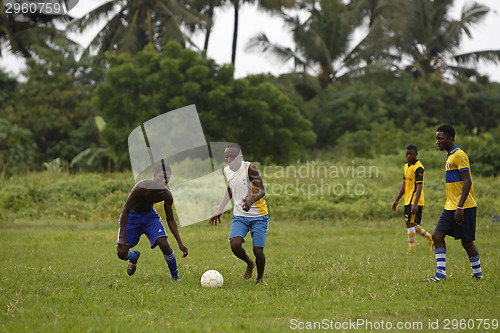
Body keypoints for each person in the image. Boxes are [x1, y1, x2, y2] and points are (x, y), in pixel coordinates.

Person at [423, 124, 482, 282]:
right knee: (437, 236)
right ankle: (440, 275)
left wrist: (460, 206)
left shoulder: (459, 155)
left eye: (440, 138)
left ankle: (478, 275)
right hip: (450, 206)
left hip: (464, 207)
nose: (437, 142)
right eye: (436, 138)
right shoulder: (449, 156)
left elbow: (468, 181)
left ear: (450, 138)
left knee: (467, 242)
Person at [210, 143, 269, 284]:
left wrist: (250, 201)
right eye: (226, 157)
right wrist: (220, 209)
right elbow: (230, 189)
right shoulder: (226, 171)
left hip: (259, 215)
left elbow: (261, 190)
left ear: (240, 156)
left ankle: (259, 279)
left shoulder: (250, 168)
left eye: (232, 156)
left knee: (258, 251)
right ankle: (250, 263)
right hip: (240, 215)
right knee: (235, 244)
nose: (229, 159)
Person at [116, 163, 188, 280]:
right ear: (154, 175)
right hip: (132, 217)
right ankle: (133, 257)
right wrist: (122, 238)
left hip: (149, 216)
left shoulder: (166, 194)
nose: (164, 180)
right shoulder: (140, 188)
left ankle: (175, 277)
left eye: (167, 178)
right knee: (121, 253)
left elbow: (170, 219)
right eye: (161, 177)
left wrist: (179, 242)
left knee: (164, 244)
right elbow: (125, 211)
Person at [392, 144, 434, 253]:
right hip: (408, 199)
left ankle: (411, 249)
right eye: (407, 153)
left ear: (416, 154)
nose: (408, 156)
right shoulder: (406, 166)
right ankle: (431, 238)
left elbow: (419, 186)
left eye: (411, 154)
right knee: (411, 223)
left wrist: (415, 204)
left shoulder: (419, 167)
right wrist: (397, 200)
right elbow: (405, 184)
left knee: (410, 223)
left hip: (415, 200)